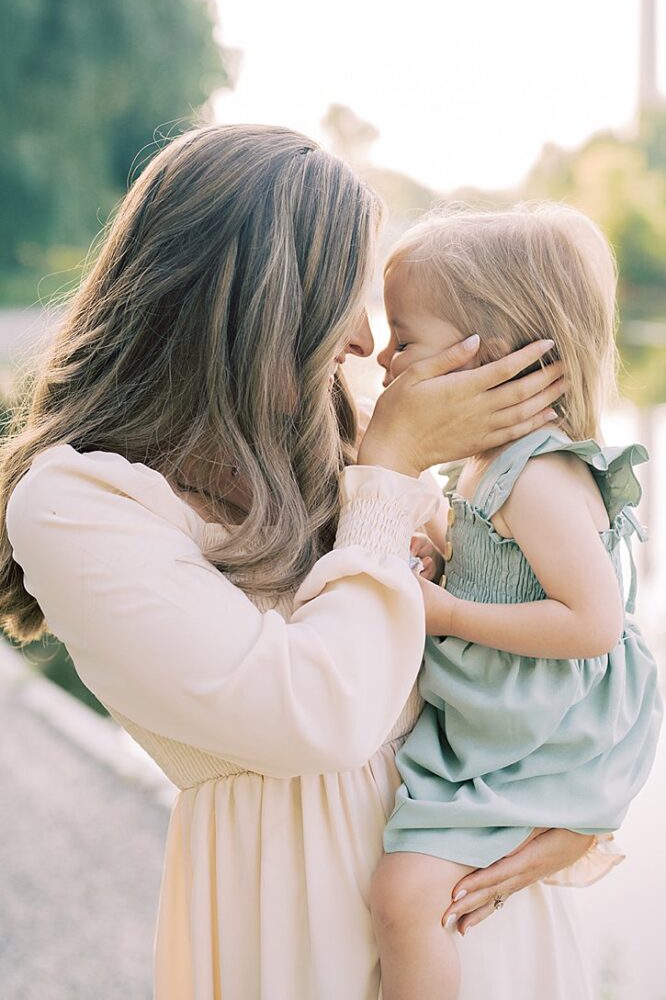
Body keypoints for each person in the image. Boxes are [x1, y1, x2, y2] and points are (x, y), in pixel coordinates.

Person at [0, 126, 613, 1000]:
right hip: (291, 923)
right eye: (344, 304)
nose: (367, 344)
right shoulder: (78, 504)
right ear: (257, 307)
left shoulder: (339, 437)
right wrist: (392, 473)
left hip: (464, 897)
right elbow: (317, 715)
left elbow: (549, 625)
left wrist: (589, 799)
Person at [371, 204, 663, 1000]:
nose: (384, 360)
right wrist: (449, 568)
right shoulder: (486, 465)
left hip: (544, 736)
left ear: (493, 357)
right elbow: (508, 571)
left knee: (403, 897)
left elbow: (594, 623)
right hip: (502, 718)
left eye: (406, 339)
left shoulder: (536, 476)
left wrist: (450, 615)